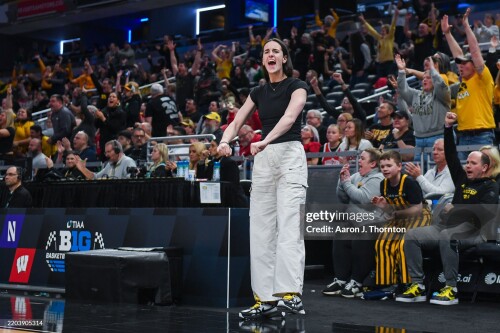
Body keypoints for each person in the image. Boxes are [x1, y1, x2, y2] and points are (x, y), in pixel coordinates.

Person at [218, 38, 308, 319]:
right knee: (260, 230)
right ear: (263, 60)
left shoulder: (297, 86)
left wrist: (265, 139)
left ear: (284, 58)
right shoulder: (257, 91)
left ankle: (290, 294)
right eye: (266, 51)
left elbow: (290, 117)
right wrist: (224, 141)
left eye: (275, 51)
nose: (270, 55)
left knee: (289, 224)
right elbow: (236, 121)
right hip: (264, 160)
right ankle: (265, 299)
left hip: (290, 155)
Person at [396, 112, 498, 305]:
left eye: (472, 163)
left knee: (448, 236)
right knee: (412, 235)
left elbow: (482, 215)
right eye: (467, 162)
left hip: (474, 231)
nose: (467, 165)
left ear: (484, 168)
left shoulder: (490, 186)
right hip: (446, 226)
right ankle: (418, 285)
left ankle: (451, 289)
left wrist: (456, 208)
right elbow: (451, 154)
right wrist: (448, 127)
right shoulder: (461, 178)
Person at [322, 148, 384, 297]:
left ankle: (357, 281)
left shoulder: (379, 179)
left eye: (363, 158)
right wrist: (341, 180)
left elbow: (363, 198)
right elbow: (343, 198)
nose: (359, 161)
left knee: (361, 235)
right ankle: (341, 279)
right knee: (341, 233)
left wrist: (347, 183)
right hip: (355, 222)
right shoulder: (356, 176)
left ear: (373, 163)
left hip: (374, 224)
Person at [371, 150, 432, 288]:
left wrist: (396, 214)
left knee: (403, 243)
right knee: (382, 242)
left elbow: (417, 209)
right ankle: (387, 283)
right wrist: (383, 206)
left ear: (399, 166)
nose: (385, 169)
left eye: (389, 165)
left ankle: (409, 283)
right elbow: (391, 211)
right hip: (400, 217)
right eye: (382, 166)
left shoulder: (409, 183)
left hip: (419, 216)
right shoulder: (383, 185)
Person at [442, 8, 496, 150]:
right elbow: (458, 55)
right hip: (463, 136)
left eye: (465, 64)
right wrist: (447, 34)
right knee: (463, 173)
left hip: (482, 135)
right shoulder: (463, 83)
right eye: (459, 65)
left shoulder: (482, 77)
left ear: (474, 65)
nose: (460, 66)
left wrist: (466, 26)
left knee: (484, 173)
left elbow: (475, 51)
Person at [396, 54, 450, 152]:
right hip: (419, 139)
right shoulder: (416, 94)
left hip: (439, 138)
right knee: (418, 168)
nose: (424, 80)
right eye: (423, 78)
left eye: (428, 78)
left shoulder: (441, 95)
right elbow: (402, 89)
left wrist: (433, 70)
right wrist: (401, 72)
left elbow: (440, 83)